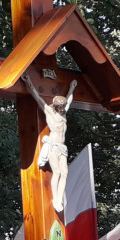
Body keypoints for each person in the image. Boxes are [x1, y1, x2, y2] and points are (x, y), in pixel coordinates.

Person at [22, 72, 77, 213]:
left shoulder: (63, 113)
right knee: (57, 172)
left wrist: (72, 87)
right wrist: (28, 82)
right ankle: (56, 200)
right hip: (53, 145)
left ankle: (60, 198)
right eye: (61, 107)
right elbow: (37, 97)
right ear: (56, 106)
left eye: (64, 106)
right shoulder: (50, 112)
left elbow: (69, 100)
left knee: (65, 173)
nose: (64, 108)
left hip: (62, 147)